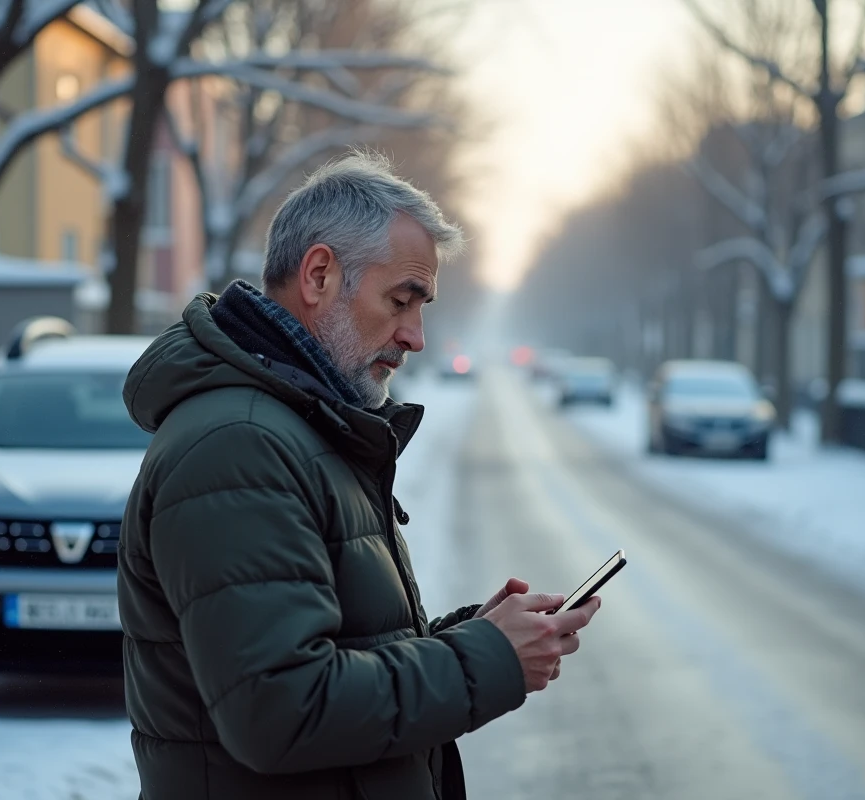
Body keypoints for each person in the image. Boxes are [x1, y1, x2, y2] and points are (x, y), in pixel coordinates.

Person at [117, 151, 601, 800]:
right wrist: (488, 659)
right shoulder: (240, 445)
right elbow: (282, 710)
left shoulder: (302, 429)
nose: (416, 336)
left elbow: (330, 655)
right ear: (318, 275)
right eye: (402, 300)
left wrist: (470, 638)